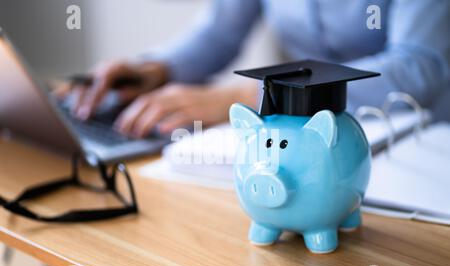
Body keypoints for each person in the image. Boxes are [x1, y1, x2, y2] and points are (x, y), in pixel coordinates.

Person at [59, 0, 450, 138]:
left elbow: (418, 68)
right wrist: (155, 69)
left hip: (416, 134)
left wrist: (258, 93)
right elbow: (220, 31)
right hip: (300, 134)